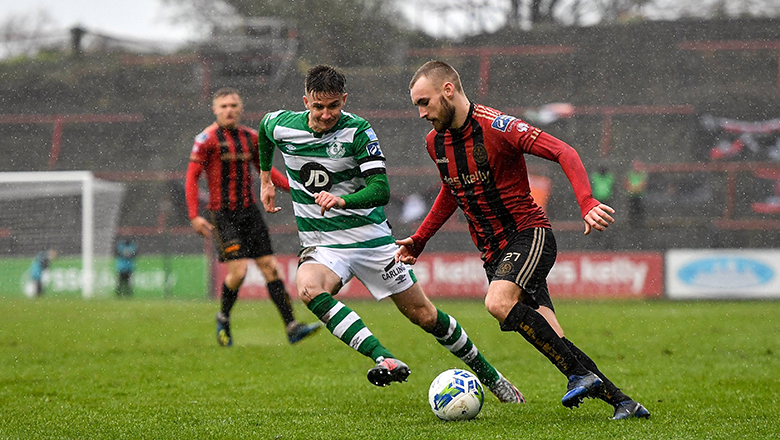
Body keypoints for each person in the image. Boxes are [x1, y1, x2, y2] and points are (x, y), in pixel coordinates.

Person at [398, 60, 650, 420]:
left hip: (528, 234)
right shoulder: (435, 143)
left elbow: (564, 151)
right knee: (555, 337)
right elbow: (451, 191)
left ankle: (579, 375)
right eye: (417, 105)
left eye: (425, 102)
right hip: (493, 252)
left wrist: (587, 201)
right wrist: (420, 239)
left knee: (498, 302)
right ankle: (625, 403)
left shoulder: (498, 126)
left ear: (448, 91)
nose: (421, 113)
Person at [258, 64, 523, 403]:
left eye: (334, 106)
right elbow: (264, 134)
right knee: (309, 289)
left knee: (424, 315)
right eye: (318, 106)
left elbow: (381, 190)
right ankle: (382, 356)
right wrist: (266, 178)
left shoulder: (358, 132)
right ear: (305, 101)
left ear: (344, 100)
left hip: (371, 239)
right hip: (322, 243)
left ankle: (492, 376)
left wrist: (342, 199)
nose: (326, 115)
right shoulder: (280, 124)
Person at [185, 87, 321, 347]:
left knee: (270, 267)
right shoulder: (206, 139)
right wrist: (193, 215)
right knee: (239, 270)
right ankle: (223, 318)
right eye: (223, 106)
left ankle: (292, 327)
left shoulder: (251, 137)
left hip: (249, 211)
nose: (229, 110)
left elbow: (266, 171)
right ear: (215, 110)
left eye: (233, 105)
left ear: (240, 108)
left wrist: (296, 190)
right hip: (222, 214)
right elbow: (192, 177)